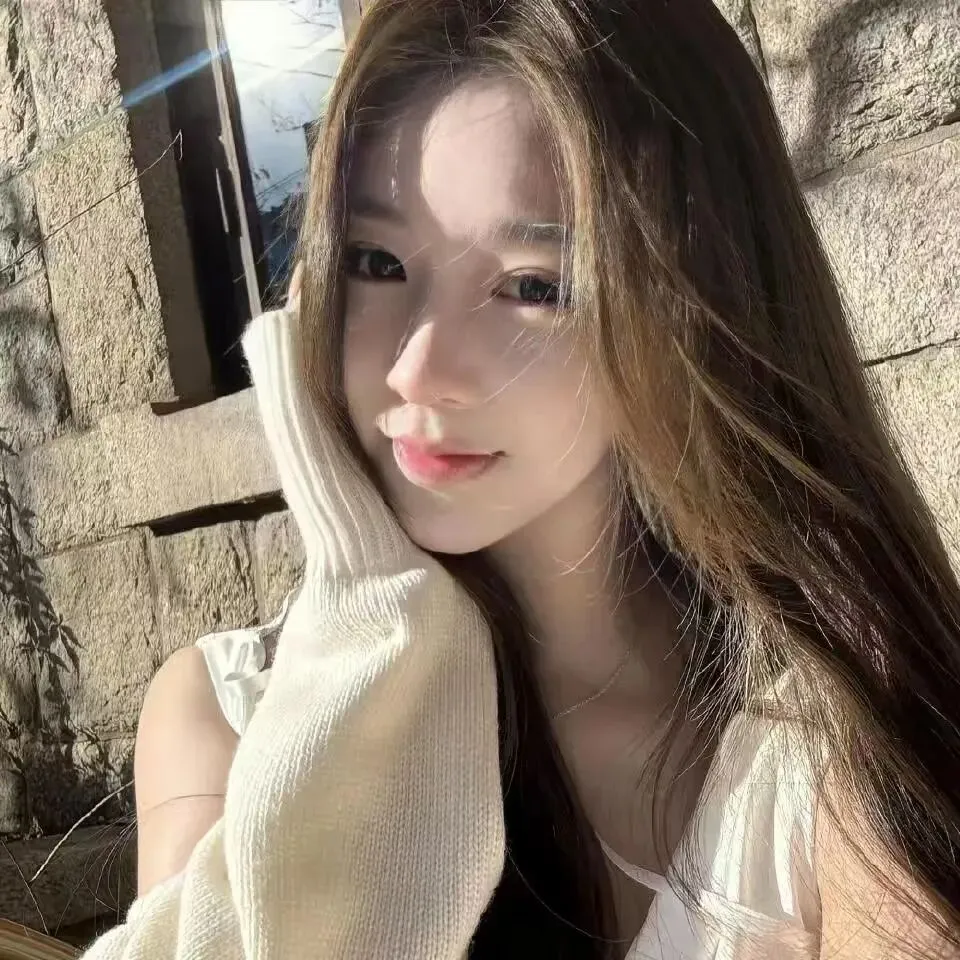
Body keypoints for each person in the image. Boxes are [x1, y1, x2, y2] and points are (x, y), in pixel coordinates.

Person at [125, 0, 960, 957]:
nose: (418, 368)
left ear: (692, 303)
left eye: (533, 285)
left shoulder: (827, 728)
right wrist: (361, 621)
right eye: (376, 262)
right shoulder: (227, 717)